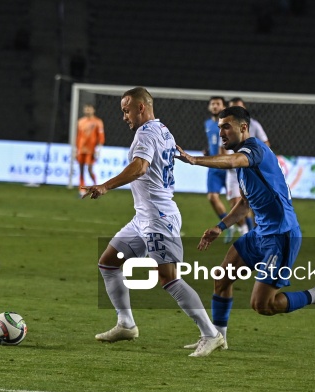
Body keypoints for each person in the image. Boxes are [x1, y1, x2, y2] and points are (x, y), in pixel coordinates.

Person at [175, 106, 315, 350]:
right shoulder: (244, 163)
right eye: (219, 127)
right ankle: (217, 338)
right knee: (222, 278)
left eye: (226, 127)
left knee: (263, 306)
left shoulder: (254, 150)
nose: (221, 132)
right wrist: (220, 227)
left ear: (243, 128)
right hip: (260, 233)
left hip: (281, 235)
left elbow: (232, 160)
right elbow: (244, 204)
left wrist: (194, 159)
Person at [82, 87, 224, 357]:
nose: (124, 116)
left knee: (168, 279)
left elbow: (141, 167)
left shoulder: (146, 133)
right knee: (109, 262)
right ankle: (126, 324)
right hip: (143, 218)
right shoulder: (163, 130)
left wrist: (106, 186)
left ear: (141, 108)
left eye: (126, 110)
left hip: (159, 218)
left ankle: (211, 334)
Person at [227, 97, 271, 232]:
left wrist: (255, 155)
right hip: (233, 172)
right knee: (235, 203)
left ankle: (256, 232)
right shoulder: (225, 126)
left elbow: (266, 143)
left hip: (250, 171)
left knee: (253, 204)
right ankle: (245, 231)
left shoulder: (254, 125)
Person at [204, 97, 236, 243]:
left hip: (228, 167)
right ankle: (228, 227)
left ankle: (246, 229)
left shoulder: (229, 124)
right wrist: (207, 152)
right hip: (213, 166)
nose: (215, 106)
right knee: (212, 197)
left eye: (218, 104)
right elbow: (213, 142)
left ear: (224, 107)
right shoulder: (208, 124)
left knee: (236, 203)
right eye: (213, 104)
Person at [76, 104, 105, 197]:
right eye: (86, 109)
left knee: (89, 170)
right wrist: (75, 149)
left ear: (93, 110)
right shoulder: (80, 121)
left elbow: (101, 137)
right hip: (81, 149)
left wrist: (98, 149)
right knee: (80, 170)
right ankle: (81, 190)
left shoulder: (98, 122)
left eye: (89, 109)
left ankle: (97, 187)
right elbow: (78, 136)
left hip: (91, 150)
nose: (87, 111)